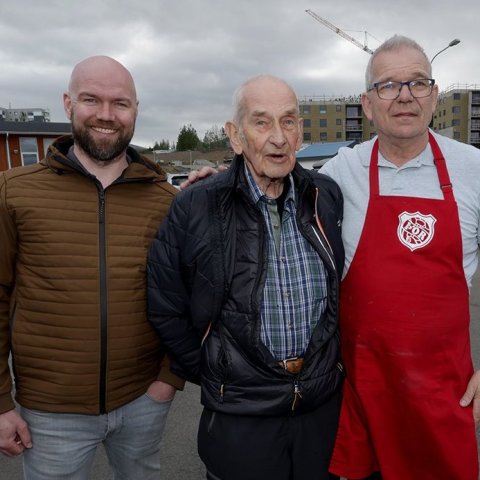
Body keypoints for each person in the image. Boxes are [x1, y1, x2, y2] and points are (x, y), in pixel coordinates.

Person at [147, 75, 345, 480]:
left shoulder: (325, 195)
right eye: (262, 122)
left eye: (288, 121)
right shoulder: (197, 205)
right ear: (235, 136)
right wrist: (214, 370)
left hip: (319, 410)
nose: (278, 137)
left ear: (300, 132)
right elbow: (165, 303)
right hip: (241, 413)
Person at [0, 55, 184, 479]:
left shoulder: (166, 201)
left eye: (120, 103)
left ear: (136, 110)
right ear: (68, 103)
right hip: (50, 412)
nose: (106, 115)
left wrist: (169, 378)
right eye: (91, 100)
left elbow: (188, 295)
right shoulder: (14, 192)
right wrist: (1, 404)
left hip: (143, 401)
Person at [320, 35, 480, 480]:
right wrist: (216, 181)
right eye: (388, 85)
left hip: (441, 397)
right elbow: (270, 187)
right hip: (361, 394)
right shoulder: (340, 171)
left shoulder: (473, 169)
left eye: (417, 82)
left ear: (434, 94)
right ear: (367, 104)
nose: (404, 96)